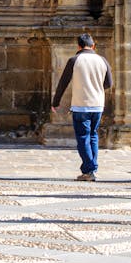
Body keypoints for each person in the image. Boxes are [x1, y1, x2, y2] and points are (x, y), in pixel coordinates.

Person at [51, 33, 112, 181]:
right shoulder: (102, 60)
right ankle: (91, 168)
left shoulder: (74, 60)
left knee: (83, 137)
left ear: (78, 46)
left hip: (81, 105)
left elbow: (63, 83)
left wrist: (55, 102)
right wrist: (96, 89)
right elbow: (109, 84)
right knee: (93, 135)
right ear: (93, 46)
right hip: (97, 105)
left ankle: (89, 170)